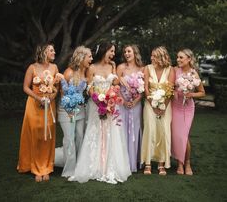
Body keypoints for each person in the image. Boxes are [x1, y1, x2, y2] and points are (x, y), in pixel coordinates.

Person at [69, 42, 131, 184]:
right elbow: (89, 87)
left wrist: (110, 99)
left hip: (111, 105)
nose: (113, 54)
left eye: (114, 52)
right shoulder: (92, 68)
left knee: (111, 133)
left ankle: (109, 167)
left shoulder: (112, 66)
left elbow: (115, 84)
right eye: (111, 51)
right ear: (104, 51)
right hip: (96, 105)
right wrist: (98, 101)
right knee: (95, 132)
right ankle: (94, 166)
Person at [17, 44, 60, 182]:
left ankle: (47, 167)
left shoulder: (55, 68)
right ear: (43, 52)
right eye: (51, 50)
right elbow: (25, 87)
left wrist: (50, 98)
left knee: (48, 135)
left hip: (49, 104)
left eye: (54, 50)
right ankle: (36, 168)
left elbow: (56, 89)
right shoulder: (32, 67)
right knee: (35, 134)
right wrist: (38, 98)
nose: (54, 52)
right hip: (34, 104)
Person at [55, 46, 93, 178]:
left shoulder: (87, 72)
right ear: (81, 57)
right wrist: (69, 111)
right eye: (89, 56)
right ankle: (69, 170)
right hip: (67, 111)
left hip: (81, 110)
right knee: (69, 139)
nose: (91, 59)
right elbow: (63, 94)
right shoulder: (69, 72)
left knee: (80, 137)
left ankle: (79, 166)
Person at [141, 46, 175, 175]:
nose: (151, 58)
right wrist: (153, 105)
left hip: (166, 106)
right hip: (150, 105)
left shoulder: (170, 70)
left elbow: (170, 90)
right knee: (150, 130)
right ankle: (148, 162)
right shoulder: (147, 68)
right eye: (151, 56)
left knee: (164, 131)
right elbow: (146, 88)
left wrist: (163, 106)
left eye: (154, 56)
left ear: (161, 57)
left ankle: (161, 163)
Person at [171, 49, 205, 175]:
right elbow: (170, 86)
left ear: (189, 59)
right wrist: (174, 91)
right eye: (177, 57)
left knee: (184, 136)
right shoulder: (174, 70)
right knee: (177, 136)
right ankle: (180, 163)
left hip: (188, 108)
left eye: (181, 57)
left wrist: (191, 94)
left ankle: (188, 163)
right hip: (176, 106)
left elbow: (202, 92)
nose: (178, 60)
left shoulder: (194, 74)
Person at [117, 44, 144, 172]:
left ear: (135, 53)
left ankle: (134, 161)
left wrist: (135, 101)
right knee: (122, 130)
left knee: (134, 129)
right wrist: (123, 101)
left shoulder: (142, 69)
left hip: (136, 105)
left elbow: (143, 90)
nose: (127, 54)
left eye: (129, 51)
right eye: (125, 52)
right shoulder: (121, 67)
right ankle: (122, 161)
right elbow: (116, 87)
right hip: (122, 104)